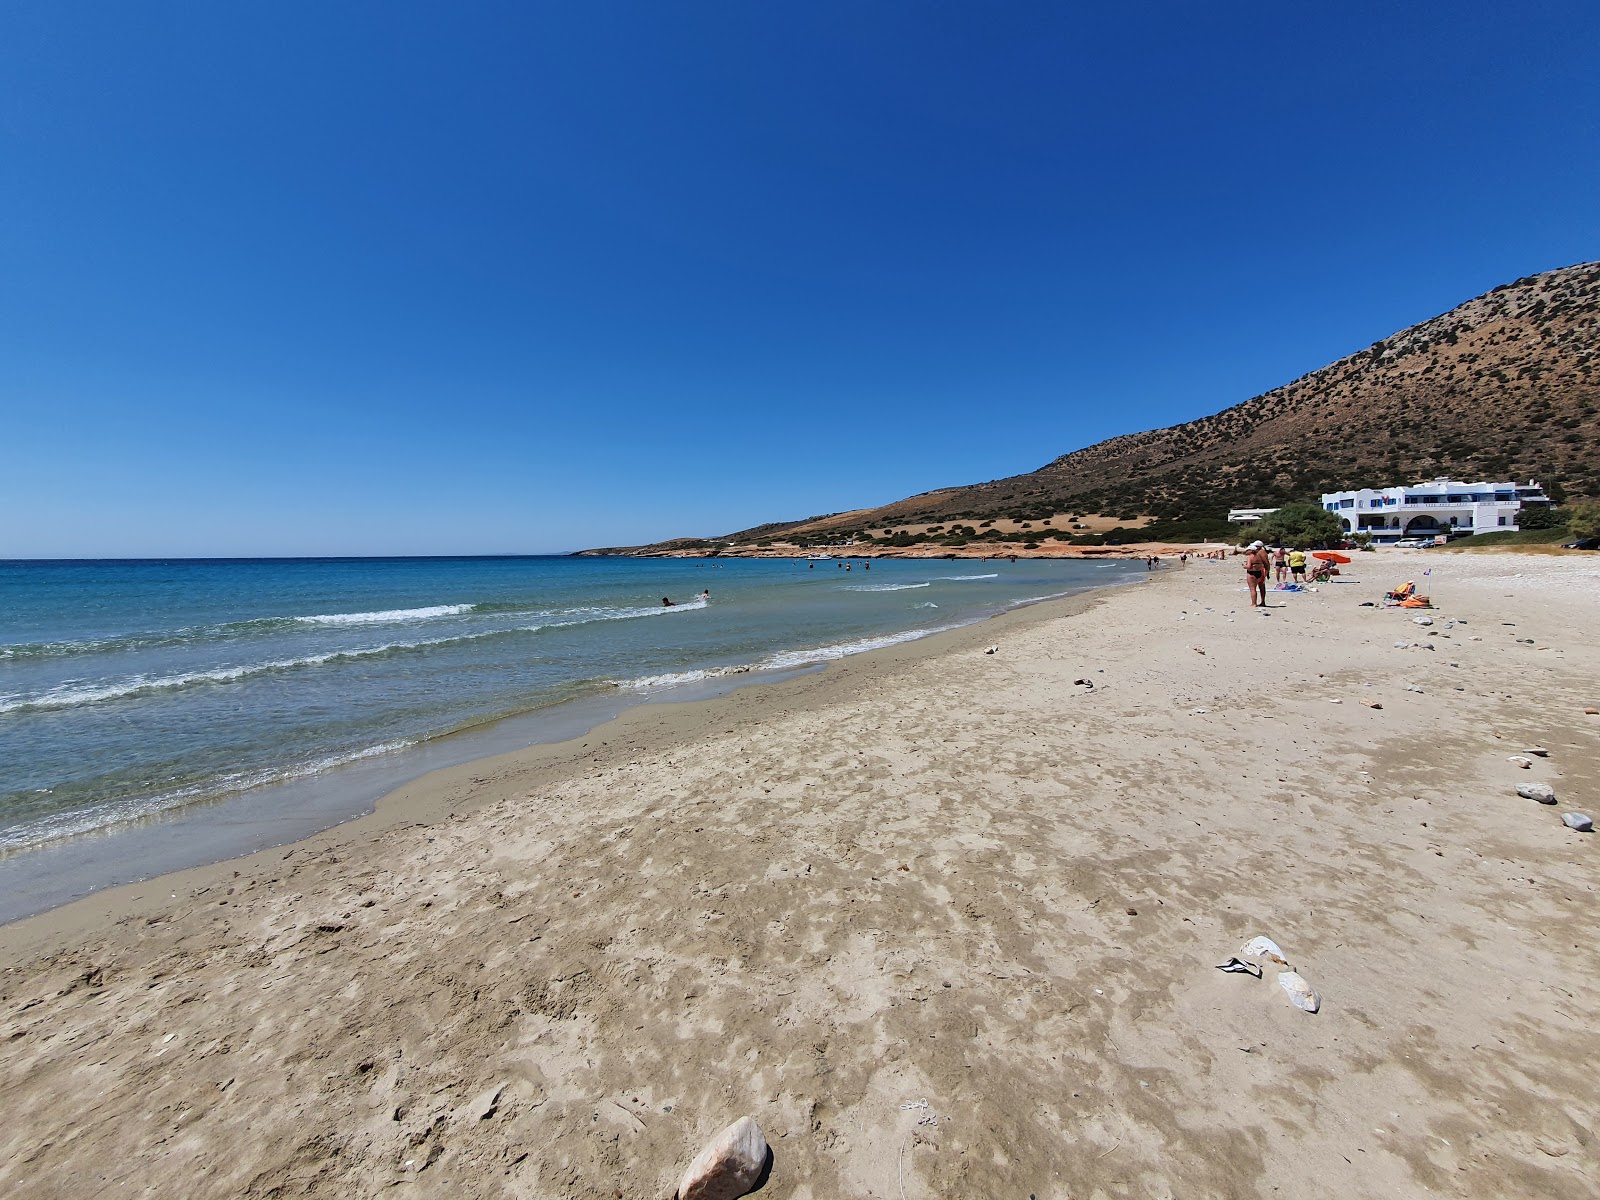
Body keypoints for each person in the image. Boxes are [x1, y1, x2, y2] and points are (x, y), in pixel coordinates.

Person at [1244, 540, 1270, 607]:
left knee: (1258, 587)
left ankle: (1258, 602)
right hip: (1261, 570)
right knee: (1261, 586)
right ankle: (1262, 601)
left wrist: (1267, 571)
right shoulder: (1259, 553)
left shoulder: (1261, 552)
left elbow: (1266, 563)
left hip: (1260, 570)